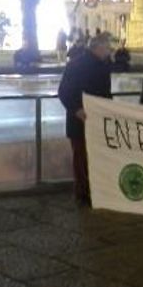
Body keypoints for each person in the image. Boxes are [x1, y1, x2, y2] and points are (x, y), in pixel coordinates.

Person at [57, 33, 112, 206]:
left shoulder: (101, 64)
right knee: (82, 156)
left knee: (88, 156)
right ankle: (84, 192)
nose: (110, 51)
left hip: (93, 117)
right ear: (99, 48)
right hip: (81, 119)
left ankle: (90, 190)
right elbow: (64, 91)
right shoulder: (78, 65)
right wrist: (76, 109)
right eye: (108, 48)